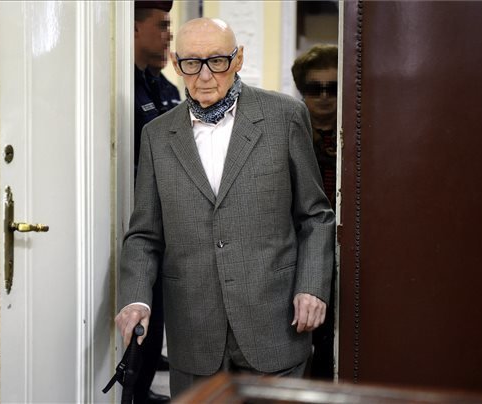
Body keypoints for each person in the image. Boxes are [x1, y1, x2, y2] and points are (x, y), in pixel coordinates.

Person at [115, 17, 335, 397]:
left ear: (238, 59)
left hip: (276, 323)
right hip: (195, 332)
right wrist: (136, 298)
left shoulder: (284, 117)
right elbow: (145, 235)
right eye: (191, 63)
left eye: (217, 61)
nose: (204, 76)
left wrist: (312, 287)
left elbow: (315, 216)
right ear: (175, 62)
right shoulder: (156, 136)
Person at [132, 1, 180, 402]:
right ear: (134, 28)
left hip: (169, 216)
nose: (169, 34)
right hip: (139, 215)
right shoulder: (125, 86)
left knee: (160, 301)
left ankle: (145, 382)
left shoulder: (163, 87)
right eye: (161, 25)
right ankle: (135, 389)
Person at [291, 44, 338, 380]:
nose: (323, 97)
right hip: (298, 245)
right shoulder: (287, 129)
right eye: (314, 88)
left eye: (332, 88)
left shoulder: (360, 132)